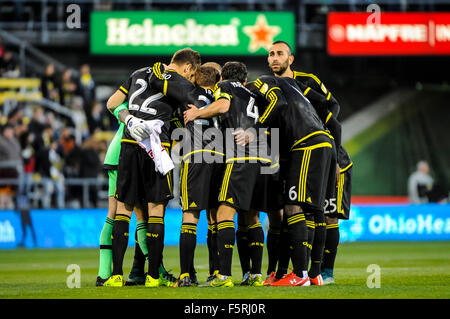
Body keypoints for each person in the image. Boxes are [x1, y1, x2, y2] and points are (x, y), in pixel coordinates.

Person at [105, 48, 201, 288]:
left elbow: (112, 103)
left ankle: (116, 276)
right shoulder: (178, 83)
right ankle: (153, 277)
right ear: (188, 68)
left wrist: (129, 119)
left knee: (123, 209)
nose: (190, 79)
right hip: (157, 148)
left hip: (130, 142)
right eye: (192, 74)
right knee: (156, 210)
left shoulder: (138, 72)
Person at [266, 40, 352, 285]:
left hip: (329, 155)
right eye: (271, 54)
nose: (274, 58)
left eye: (279, 54)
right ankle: (305, 272)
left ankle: (325, 271)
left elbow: (332, 111)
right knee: (300, 209)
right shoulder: (273, 88)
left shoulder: (307, 81)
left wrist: (334, 157)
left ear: (290, 59)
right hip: (299, 155)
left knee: (327, 213)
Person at [184, 61, 271, 288]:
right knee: (252, 217)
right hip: (261, 156)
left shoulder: (226, 86)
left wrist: (197, 113)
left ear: (223, 77)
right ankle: (254, 274)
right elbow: (265, 122)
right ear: (245, 79)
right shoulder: (251, 93)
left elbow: (223, 106)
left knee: (224, 213)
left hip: (239, 156)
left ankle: (222, 275)